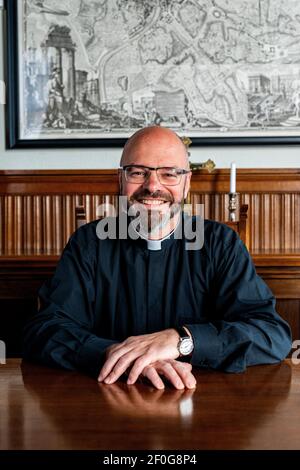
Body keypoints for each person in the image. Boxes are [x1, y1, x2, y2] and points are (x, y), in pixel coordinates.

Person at [23, 126, 292, 390]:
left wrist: (182, 340)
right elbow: (46, 330)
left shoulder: (220, 244)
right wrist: (120, 355)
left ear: (186, 184)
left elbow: (271, 334)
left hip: (202, 405)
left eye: (170, 174)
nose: (153, 186)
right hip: (108, 400)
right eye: (138, 172)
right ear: (121, 180)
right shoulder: (89, 244)